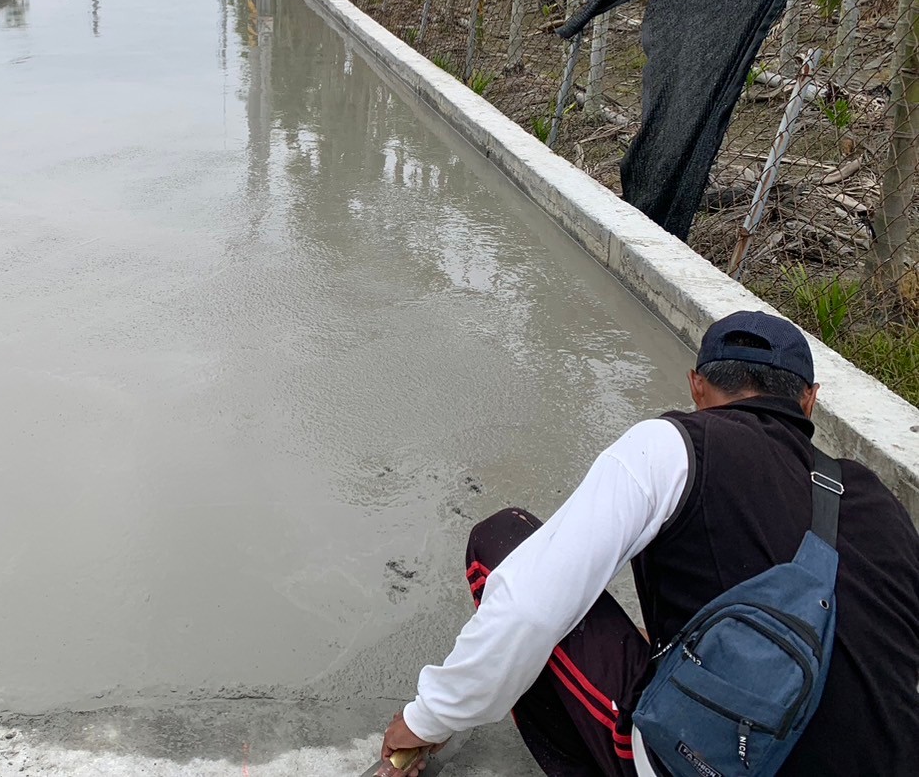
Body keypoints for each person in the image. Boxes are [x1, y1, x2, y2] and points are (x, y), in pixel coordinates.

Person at [379, 310, 919, 776]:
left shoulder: (672, 447)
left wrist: (426, 718)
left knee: (502, 540)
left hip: (715, 761)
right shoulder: (877, 499)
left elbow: (528, 611)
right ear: (810, 399)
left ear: (697, 386)